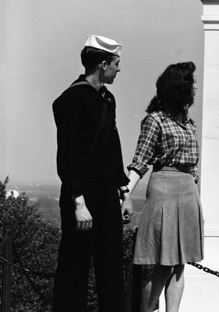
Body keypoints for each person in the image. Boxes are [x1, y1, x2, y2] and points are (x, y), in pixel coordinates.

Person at [52, 35, 131, 312]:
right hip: (81, 193)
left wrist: (123, 189)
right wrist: (78, 201)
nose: (118, 69)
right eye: (116, 63)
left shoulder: (108, 99)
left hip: (106, 191)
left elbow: (112, 144)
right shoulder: (70, 99)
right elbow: (68, 154)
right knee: (74, 268)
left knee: (111, 268)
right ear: (102, 64)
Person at [121, 61, 203, 312]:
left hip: (187, 191)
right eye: (189, 84)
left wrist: (194, 185)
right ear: (178, 88)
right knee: (164, 266)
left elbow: (194, 164)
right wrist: (126, 196)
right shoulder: (154, 121)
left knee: (180, 265)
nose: (193, 88)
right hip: (164, 190)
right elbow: (140, 161)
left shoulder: (190, 123)